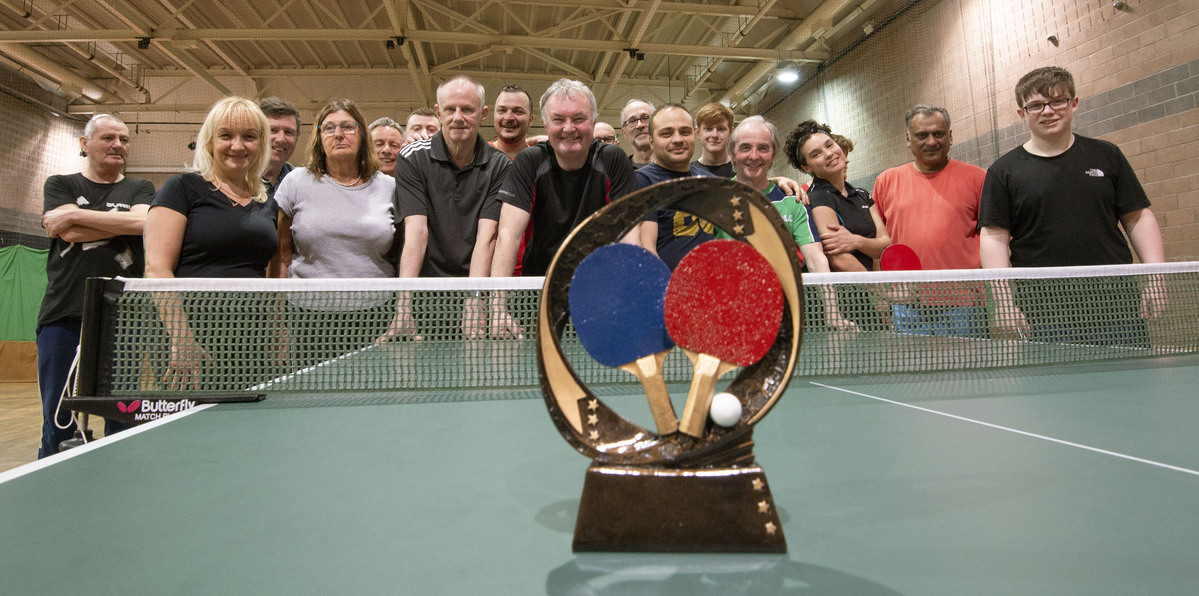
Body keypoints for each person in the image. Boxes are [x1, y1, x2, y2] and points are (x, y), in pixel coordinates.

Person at [979, 66, 1164, 344]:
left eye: (1057, 101)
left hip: (1117, 307)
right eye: (1036, 105)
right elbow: (994, 238)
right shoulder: (1003, 172)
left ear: (1074, 103)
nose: (1048, 111)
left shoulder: (1107, 155)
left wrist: (1157, 279)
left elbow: (1138, 217)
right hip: (1044, 314)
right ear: (1022, 114)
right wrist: (1004, 302)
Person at [36, 114, 154, 457]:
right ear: (85, 144)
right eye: (108, 138)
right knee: (58, 419)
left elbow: (145, 221)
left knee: (122, 417)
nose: (118, 145)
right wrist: (124, 224)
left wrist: (74, 214)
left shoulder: (140, 188)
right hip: (64, 313)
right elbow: (70, 234)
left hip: (124, 318)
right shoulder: (61, 184)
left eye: (124, 139)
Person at [489, 79, 645, 338]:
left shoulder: (612, 159)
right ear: (546, 124)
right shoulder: (529, 161)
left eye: (579, 119)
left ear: (593, 123)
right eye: (559, 119)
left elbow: (628, 232)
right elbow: (508, 235)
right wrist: (497, 308)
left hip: (600, 297)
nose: (569, 128)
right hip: (538, 294)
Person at [144, 97, 279, 389]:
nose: (238, 146)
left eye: (249, 137)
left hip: (250, 340)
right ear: (209, 141)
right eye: (226, 135)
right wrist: (182, 338)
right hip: (191, 335)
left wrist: (275, 329)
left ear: (261, 144)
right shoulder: (181, 188)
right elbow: (157, 270)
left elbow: (269, 272)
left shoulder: (267, 201)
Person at [274, 100, 397, 366]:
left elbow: (398, 253)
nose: (338, 134)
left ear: (362, 134)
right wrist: (278, 325)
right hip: (308, 316)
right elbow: (282, 257)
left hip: (376, 313)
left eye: (347, 127)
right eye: (328, 128)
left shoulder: (389, 187)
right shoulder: (295, 182)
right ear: (319, 138)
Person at [389, 76, 510, 340]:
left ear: (482, 114)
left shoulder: (500, 165)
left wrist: (474, 300)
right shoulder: (412, 158)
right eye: (450, 109)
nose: (458, 117)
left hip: (474, 291)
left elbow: (486, 238)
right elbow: (416, 233)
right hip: (424, 297)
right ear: (438, 112)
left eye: (467, 109)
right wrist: (403, 306)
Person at [726, 116, 853, 329]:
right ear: (732, 154)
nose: (754, 156)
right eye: (745, 148)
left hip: (784, 316)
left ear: (773, 154)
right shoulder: (712, 198)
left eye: (763, 148)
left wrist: (834, 315)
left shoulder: (793, 202)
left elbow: (816, 260)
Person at [872, 105, 988, 337]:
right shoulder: (887, 180)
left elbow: (993, 238)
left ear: (950, 136)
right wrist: (882, 294)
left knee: (967, 372)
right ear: (908, 140)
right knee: (911, 372)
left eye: (939, 134)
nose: (932, 141)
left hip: (964, 305)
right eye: (922, 135)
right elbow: (878, 242)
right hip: (905, 305)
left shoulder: (978, 178)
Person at [785, 120, 890, 272]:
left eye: (829, 145)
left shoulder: (862, 195)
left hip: (866, 288)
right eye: (816, 154)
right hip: (844, 292)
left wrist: (857, 241)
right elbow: (839, 259)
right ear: (807, 168)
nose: (828, 154)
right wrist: (876, 291)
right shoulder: (816, 198)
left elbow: (885, 245)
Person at [634, 103, 714, 270]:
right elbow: (646, 248)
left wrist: (775, 180)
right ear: (651, 142)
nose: (678, 140)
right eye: (666, 134)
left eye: (685, 132)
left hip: (711, 288)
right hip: (669, 289)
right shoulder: (642, 182)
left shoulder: (709, 181)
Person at [258, 97, 301, 201]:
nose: (281, 139)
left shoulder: (303, 183)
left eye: (288, 132)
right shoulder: (234, 182)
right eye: (272, 130)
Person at [490, 84, 534, 160]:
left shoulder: (540, 159)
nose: (508, 118)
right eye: (502, 110)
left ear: (530, 120)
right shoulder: (477, 154)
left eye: (518, 112)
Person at [691, 102, 735, 178]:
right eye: (708, 129)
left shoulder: (742, 171)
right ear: (698, 132)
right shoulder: (689, 174)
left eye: (721, 129)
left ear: (730, 132)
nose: (715, 135)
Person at [620, 99, 654, 167]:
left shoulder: (676, 166)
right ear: (624, 133)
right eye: (632, 121)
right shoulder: (619, 173)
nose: (639, 125)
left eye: (645, 118)